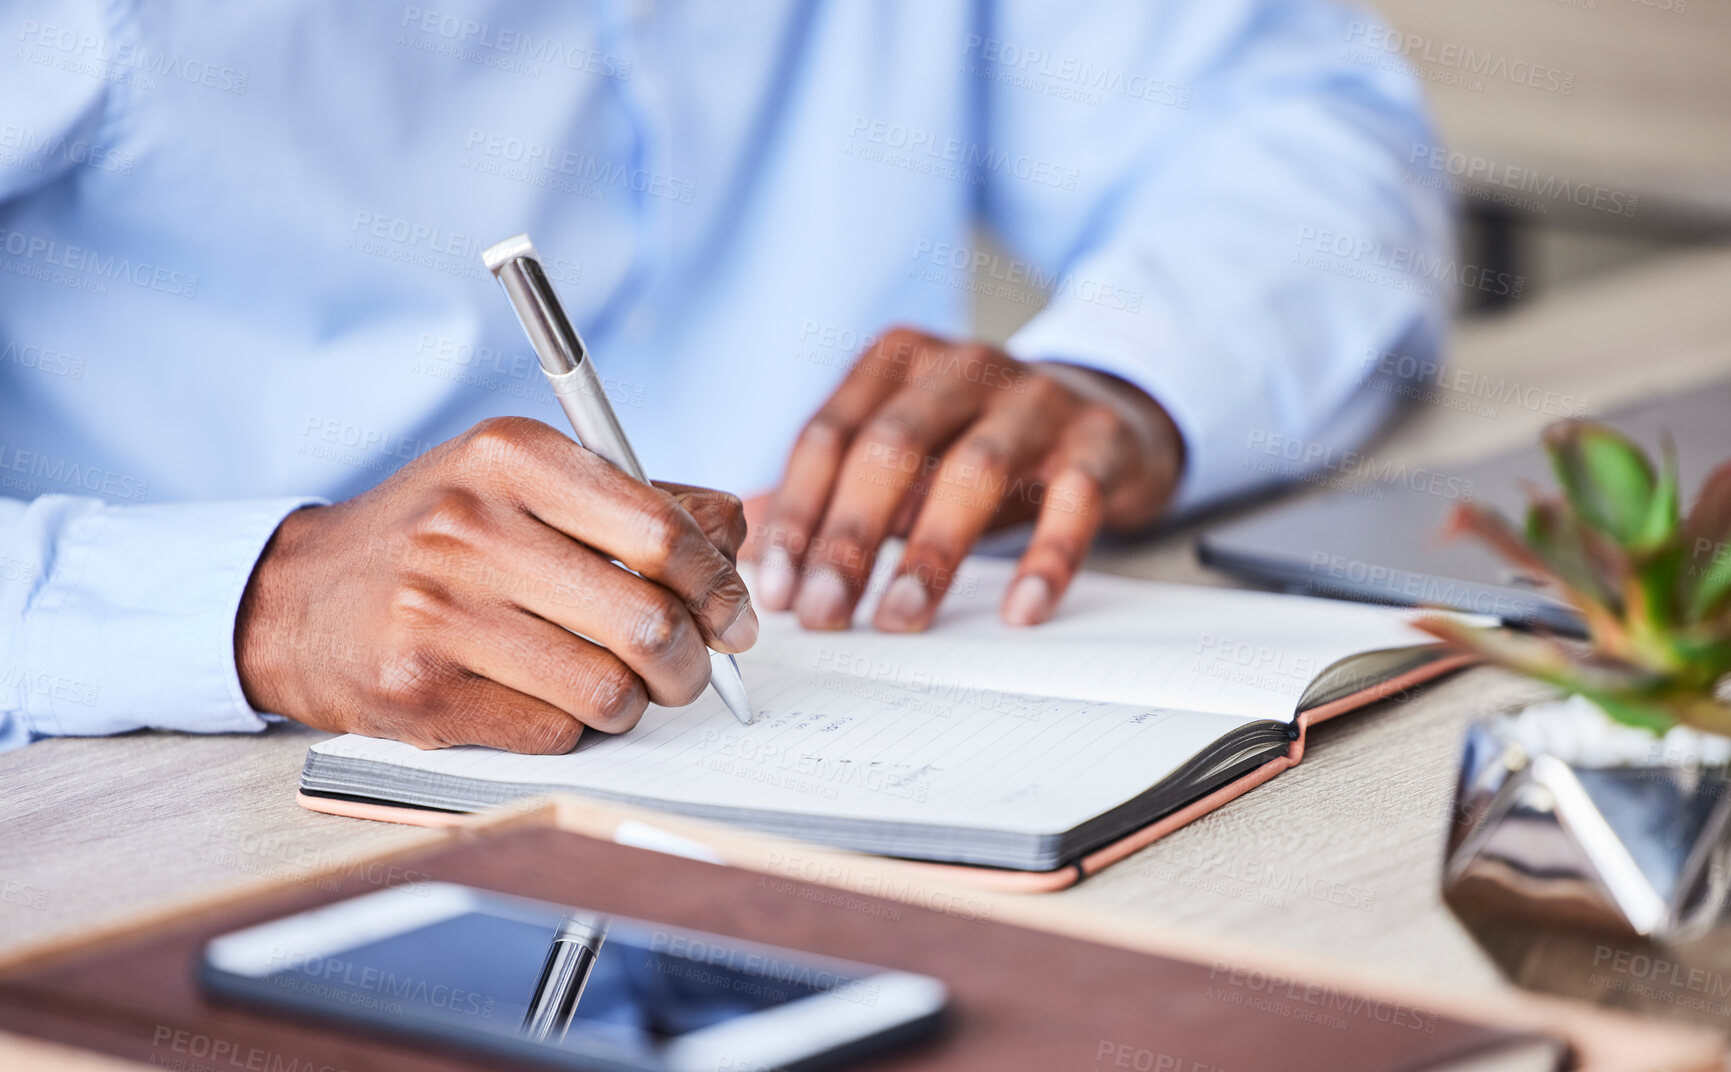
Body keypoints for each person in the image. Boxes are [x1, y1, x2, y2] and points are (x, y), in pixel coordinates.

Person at [0, 1, 1449, 753]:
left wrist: (1128, 376)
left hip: (897, 699)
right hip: (192, 793)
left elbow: (1292, 117)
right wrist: (255, 603)